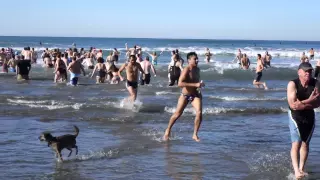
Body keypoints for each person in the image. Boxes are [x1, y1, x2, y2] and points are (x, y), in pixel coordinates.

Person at [287, 62, 320, 179]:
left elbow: (318, 103)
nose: (308, 73)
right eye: (305, 71)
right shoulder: (292, 84)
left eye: (310, 71)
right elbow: (293, 105)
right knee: (296, 143)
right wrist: (309, 100)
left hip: (309, 115)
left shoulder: (315, 83)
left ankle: (301, 169)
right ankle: (296, 171)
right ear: (299, 72)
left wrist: (303, 104)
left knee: (305, 144)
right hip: (295, 116)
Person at [163, 52, 205, 142]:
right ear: (189, 60)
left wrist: (200, 86)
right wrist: (195, 84)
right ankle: (168, 129)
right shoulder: (186, 69)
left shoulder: (197, 69)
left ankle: (195, 134)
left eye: (197, 58)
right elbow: (180, 83)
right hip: (185, 95)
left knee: (199, 112)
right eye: (195, 59)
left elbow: (196, 82)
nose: (197, 60)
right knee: (177, 114)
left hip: (195, 95)